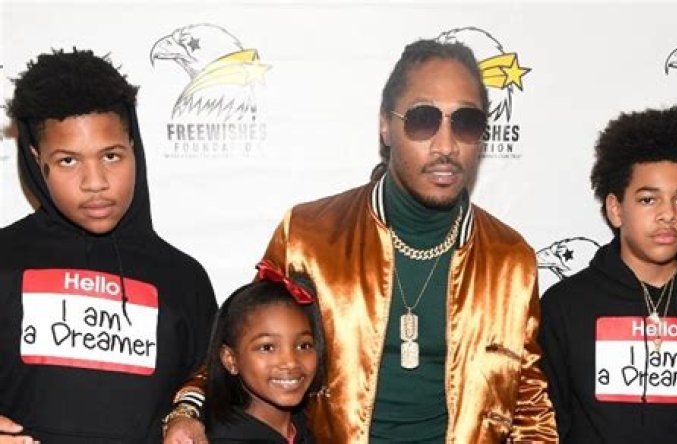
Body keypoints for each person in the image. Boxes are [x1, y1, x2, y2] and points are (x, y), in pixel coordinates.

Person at [165, 38, 557, 443]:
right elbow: (239, 344)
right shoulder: (309, 236)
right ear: (386, 125)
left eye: (466, 122)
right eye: (423, 120)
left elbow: (528, 404)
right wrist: (186, 410)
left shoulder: (510, 259)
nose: (446, 145)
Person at [0, 49, 218, 443]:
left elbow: (209, 382)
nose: (95, 182)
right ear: (36, 159)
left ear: (133, 146)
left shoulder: (183, 278)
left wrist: (187, 416)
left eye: (111, 156)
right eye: (68, 161)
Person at [539, 106, 677, 443]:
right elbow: (547, 425)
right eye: (649, 200)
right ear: (616, 209)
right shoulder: (566, 305)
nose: (668, 215)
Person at [202, 260, 324, 443]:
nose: (291, 362)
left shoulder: (308, 428)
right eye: (267, 347)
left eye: (303, 346)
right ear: (230, 359)